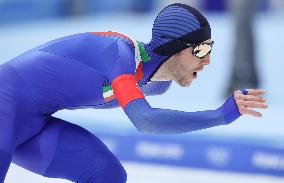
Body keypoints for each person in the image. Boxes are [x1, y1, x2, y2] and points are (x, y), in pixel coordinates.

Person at [0, 3, 267, 183]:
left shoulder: (157, 84)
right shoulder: (120, 54)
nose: (208, 60)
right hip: (4, 103)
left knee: (106, 174)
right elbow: (146, 121)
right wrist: (219, 115)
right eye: (201, 50)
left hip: (34, 125)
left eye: (211, 48)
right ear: (175, 46)